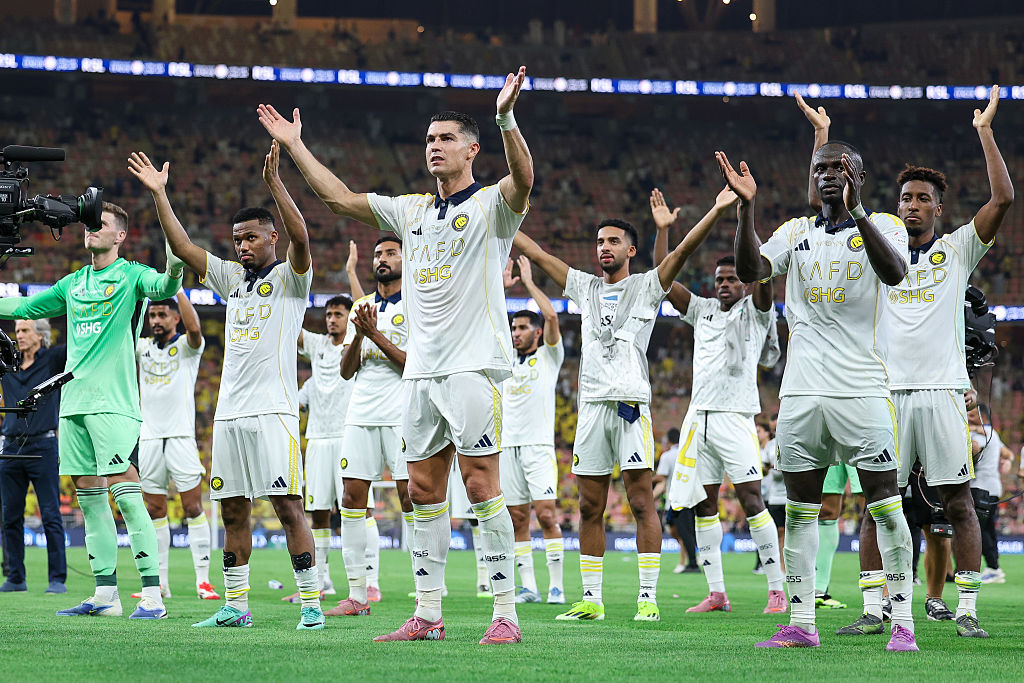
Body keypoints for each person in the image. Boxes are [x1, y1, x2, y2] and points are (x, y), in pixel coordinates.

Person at [258, 64, 534, 644]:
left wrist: (506, 117)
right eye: (430, 139)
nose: (435, 146)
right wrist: (297, 146)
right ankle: (428, 615)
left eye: (447, 139)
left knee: (481, 488)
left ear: (472, 150)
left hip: (472, 367)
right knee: (423, 493)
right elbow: (338, 199)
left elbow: (523, 179)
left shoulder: (492, 206)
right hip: (421, 375)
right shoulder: (411, 210)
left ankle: (505, 613)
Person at [800, 85, 1013, 639]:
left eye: (922, 199)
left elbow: (1002, 200)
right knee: (880, 504)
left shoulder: (957, 250)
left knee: (958, 503)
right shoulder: (873, 251)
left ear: (938, 208)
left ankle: (966, 609)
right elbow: (822, 211)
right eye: (905, 198)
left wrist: (985, 133)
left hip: (942, 392)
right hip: (884, 395)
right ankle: (875, 609)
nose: (911, 205)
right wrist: (822, 139)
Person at [516, 183, 740, 623]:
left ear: (631, 250)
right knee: (589, 506)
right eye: (600, 241)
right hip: (591, 408)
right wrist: (501, 216)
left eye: (613, 241)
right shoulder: (583, 286)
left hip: (631, 406)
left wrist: (715, 210)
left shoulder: (646, 286)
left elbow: (681, 253)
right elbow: (539, 255)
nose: (604, 247)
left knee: (641, 502)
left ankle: (647, 598)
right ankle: (592, 600)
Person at [728, 135, 918, 651]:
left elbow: (895, 273)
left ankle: (903, 622)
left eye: (840, 167)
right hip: (802, 392)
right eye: (821, 168)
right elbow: (750, 271)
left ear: (859, 177)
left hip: (862, 388)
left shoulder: (886, 225)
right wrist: (746, 210)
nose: (828, 174)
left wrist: (858, 213)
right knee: (800, 509)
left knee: (885, 504)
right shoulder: (795, 232)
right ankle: (802, 623)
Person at [129, 141, 323, 630]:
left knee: (288, 508)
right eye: (237, 239)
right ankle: (236, 605)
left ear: (272, 237)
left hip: (274, 412)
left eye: (251, 238)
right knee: (232, 512)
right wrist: (159, 194)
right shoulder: (232, 279)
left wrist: (275, 184)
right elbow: (183, 248)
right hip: (229, 415)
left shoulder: (291, 279)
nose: (242, 246)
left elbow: (302, 237)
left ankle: (311, 605)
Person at [0, 201, 183, 619]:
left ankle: (152, 597)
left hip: (114, 405)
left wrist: (174, 252)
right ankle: (105, 596)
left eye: (99, 224)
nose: (90, 230)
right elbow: (25, 309)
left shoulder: (132, 276)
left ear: (120, 235)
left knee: (127, 496)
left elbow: (167, 284)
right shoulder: (73, 283)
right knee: (90, 499)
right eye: (88, 224)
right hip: (74, 404)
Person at [650, 188, 784, 615]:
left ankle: (777, 590)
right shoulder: (702, 310)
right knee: (704, 504)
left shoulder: (757, 311)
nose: (725, 284)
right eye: (720, 279)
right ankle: (717, 593)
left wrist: (745, 210)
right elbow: (663, 278)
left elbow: (761, 279)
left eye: (732, 279)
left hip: (736, 417)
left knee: (752, 501)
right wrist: (663, 232)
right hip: (699, 419)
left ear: (744, 282)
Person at [330, 235, 414, 617]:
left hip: (401, 415)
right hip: (360, 414)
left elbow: (413, 365)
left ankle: (426, 592)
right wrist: (359, 335)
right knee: (351, 500)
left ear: (405, 260)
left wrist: (375, 335)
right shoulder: (360, 307)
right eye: (378, 253)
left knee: (411, 498)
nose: (383, 258)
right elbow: (346, 371)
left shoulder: (416, 303)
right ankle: (357, 596)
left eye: (391, 253)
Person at [133, 293, 218, 601]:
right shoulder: (141, 347)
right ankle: (160, 584)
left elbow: (195, 330)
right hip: (149, 438)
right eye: (152, 316)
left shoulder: (186, 348)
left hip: (181, 437)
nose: (156, 321)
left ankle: (203, 582)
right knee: (155, 510)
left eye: (162, 315)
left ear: (175, 318)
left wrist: (178, 289)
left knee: (193, 508)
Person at [284, 280, 360, 604]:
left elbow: (364, 310)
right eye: (328, 314)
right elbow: (290, 329)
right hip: (316, 438)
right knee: (317, 511)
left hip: (347, 435)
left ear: (349, 317)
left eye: (338, 314)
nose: (332, 319)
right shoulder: (317, 345)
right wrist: (285, 292)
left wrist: (352, 272)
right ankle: (322, 581)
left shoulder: (357, 341)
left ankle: (366, 582)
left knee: (356, 507)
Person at [500, 255, 566, 605]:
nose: (516, 333)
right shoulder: (506, 358)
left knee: (546, 514)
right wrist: (501, 289)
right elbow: (486, 320)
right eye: (513, 328)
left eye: (522, 328)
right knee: (517, 517)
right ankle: (529, 586)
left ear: (536, 332)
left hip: (538, 446)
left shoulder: (549, 357)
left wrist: (528, 283)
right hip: (507, 446)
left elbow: (552, 316)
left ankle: (556, 587)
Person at [0, 319, 67, 594]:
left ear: (41, 336)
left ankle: (57, 579)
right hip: (11, 447)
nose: (19, 335)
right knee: (10, 516)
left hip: (44, 445)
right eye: (17, 330)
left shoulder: (53, 359)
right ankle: (16, 577)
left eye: (25, 330)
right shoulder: (5, 363)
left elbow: (80, 343)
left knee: (51, 514)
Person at [970, 408, 1012, 585]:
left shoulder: (979, 436)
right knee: (987, 529)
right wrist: (1007, 460)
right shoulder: (992, 434)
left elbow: (973, 450)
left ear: (983, 417)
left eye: (972, 415)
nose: (968, 417)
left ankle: (990, 568)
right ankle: (993, 567)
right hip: (993, 488)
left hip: (980, 486)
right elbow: (1008, 453)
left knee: (979, 530)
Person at [653, 428, 698, 574]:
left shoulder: (667, 456)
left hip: (675, 500)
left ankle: (687, 562)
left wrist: (649, 482)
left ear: (668, 440)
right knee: (682, 532)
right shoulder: (688, 453)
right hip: (690, 498)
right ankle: (692, 558)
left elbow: (661, 478)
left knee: (681, 532)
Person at [758, 420, 786, 573]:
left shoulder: (790, 442)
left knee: (793, 533)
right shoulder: (770, 446)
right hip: (775, 497)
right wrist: (767, 468)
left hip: (791, 496)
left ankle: (796, 568)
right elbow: (764, 470)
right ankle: (781, 568)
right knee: (779, 533)